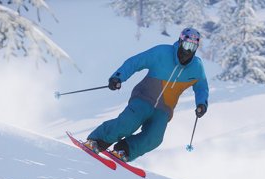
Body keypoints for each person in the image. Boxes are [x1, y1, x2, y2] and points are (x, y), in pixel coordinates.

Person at [84, 27, 209, 162]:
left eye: (193, 46)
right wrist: (118, 77)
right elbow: (136, 62)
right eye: (187, 45)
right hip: (144, 97)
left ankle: (124, 150)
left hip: (164, 108)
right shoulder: (162, 52)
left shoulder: (196, 67)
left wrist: (202, 103)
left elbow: (202, 86)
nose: (188, 50)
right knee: (128, 124)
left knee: (154, 138)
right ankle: (97, 141)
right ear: (180, 41)